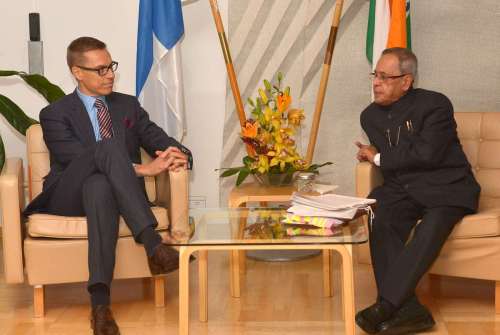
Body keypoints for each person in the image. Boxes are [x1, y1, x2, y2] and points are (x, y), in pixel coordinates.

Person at [24, 36, 192, 335]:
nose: (110, 74)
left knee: (100, 187)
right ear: (77, 72)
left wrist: (179, 154)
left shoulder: (127, 105)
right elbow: (76, 158)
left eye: (111, 66)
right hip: (67, 195)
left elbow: (158, 138)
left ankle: (100, 308)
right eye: (101, 70)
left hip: (108, 195)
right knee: (108, 149)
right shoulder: (55, 114)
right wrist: (143, 169)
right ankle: (152, 242)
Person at [355, 47, 480, 335]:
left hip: (448, 187)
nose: (376, 82)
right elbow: (400, 156)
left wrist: (377, 157)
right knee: (379, 213)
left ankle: (386, 305)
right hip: (403, 188)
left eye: (385, 77)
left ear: (406, 81)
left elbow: (426, 155)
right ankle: (410, 310)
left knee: (431, 227)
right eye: (375, 75)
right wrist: (377, 156)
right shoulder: (369, 116)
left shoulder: (435, 105)